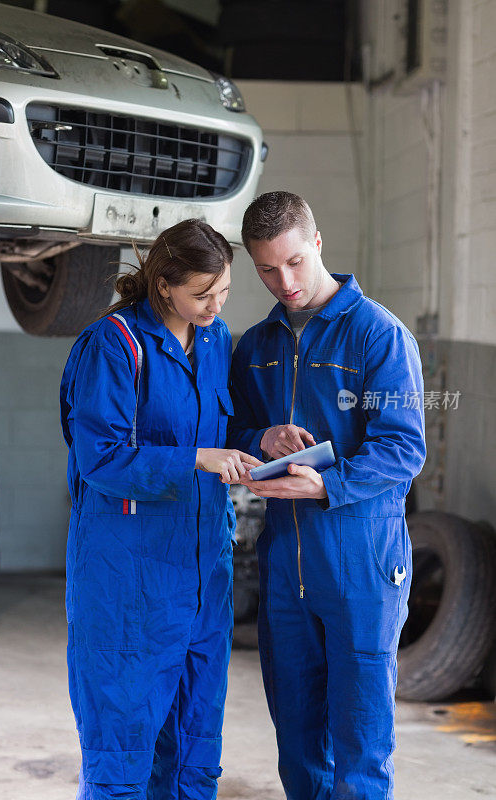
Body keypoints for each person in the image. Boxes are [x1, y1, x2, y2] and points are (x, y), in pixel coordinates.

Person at [228, 192, 426, 800]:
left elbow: (403, 448)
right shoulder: (257, 346)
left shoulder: (378, 336)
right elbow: (227, 430)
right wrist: (261, 437)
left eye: (293, 262)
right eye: (265, 269)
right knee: (296, 735)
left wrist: (329, 484)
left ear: (317, 244)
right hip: (286, 560)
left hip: (361, 560)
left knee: (361, 742)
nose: (283, 282)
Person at [59, 219, 261, 800]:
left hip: (203, 579)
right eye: (202, 294)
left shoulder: (217, 339)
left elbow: (223, 430)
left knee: (196, 754)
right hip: (129, 584)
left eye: (223, 292)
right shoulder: (114, 345)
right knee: (122, 756)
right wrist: (194, 459)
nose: (215, 306)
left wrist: (262, 441)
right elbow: (101, 459)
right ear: (163, 285)